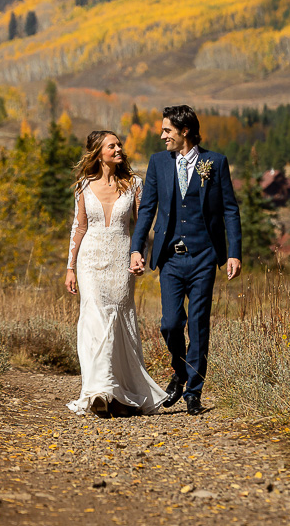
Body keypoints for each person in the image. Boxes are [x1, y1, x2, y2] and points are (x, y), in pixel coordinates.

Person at [130, 105, 242, 416]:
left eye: (167, 130)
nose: (162, 135)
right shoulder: (158, 163)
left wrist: (234, 252)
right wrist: (136, 249)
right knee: (170, 323)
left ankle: (194, 391)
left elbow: (230, 209)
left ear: (185, 132)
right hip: (170, 258)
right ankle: (179, 371)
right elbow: (147, 210)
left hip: (205, 256)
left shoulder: (215, 162)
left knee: (198, 324)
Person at [64, 130, 167, 418]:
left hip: (121, 259)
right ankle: (99, 390)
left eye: (119, 145)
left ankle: (122, 393)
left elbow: (143, 223)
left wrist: (141, 255)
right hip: (90, 260)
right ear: (99, 153)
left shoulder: (134, 184)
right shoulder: (84, 186)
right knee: (95, 316)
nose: (119, 149)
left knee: (120, 318)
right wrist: (70, 266)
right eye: (113, 146)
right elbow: (79, 227)